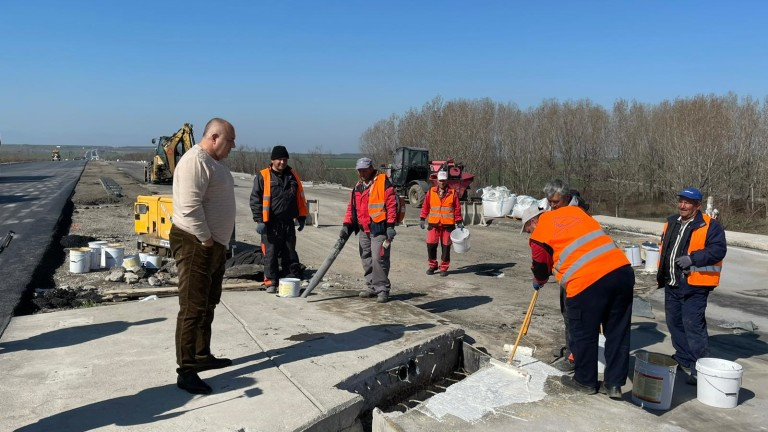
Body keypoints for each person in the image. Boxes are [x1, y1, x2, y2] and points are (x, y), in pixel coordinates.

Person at [522, 204, 634, 399]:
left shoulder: (539, 235)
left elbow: (541, 269)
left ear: (533, 221)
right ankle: (614, 384)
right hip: (621, 271)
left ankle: (585, 381)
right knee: (617, 332)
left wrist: (538, 280)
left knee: (583, 332)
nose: (529, 233)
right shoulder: (573, 211)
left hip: (586, 282)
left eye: (527, 229)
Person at [170, 118, 237, 395]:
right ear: (214, 137)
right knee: (192, 306)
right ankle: (186, 370)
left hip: (212, 244)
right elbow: (189, 207)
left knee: (208, 302)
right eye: (230, 141)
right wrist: (207, 239)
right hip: (196, 242)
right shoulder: (195, 161)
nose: (232, 146)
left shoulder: (214, 163)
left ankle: (201, 354)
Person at [657, 187, 726, 385]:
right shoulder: (672, 222)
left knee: (693, 326)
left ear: (698, 205)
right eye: (681, 201)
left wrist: (693, 259)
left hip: (695, 285)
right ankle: (683, 357)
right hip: (672, 283)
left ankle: (700, 368)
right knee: (674, 323)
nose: (682, 205)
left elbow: (718, 250)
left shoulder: (710, 226)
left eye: (687, 202)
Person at [541, 178, 589, 369]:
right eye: (550, 202)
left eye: (556, 202)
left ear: (567, 198)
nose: (552, 207)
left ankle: (574, 357)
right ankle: (571, 348)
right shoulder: (560, 211)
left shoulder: (578, 214)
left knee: (575, 315)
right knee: (567, 313)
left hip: (580, 272)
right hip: (567, 270)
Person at [250, 145, 308, 292]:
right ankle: (271, 282)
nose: (282, 162)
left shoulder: (292, 175)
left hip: (288, 223)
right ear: (272, 160)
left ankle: (290, 279)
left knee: (290, 252)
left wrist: (302, 216)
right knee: (270, 254)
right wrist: (259, 220)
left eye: (285, 159)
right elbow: (255, 199)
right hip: (270, 224)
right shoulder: (263, 176)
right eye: (279, 159)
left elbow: (300, 197)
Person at [340, 157, 398, 303]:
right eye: (360, 170)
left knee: (379, 259)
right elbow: (351, 207)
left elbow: (391, 205)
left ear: (371, 167)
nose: (362, 172)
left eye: (365, 169)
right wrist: (347, 224)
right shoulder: (358, 186)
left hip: (379, 228)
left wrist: (391, 226)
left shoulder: (383, 182)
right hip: (363, 229)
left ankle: (382, 289)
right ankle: (371, 286)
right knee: (366, 258)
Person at [420, 170, 464, 276]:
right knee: (430, 245)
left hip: (447, 226)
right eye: (440, 180)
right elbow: (426, 206)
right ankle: (432, 265)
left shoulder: (452, 193)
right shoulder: (431, 192)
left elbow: (457, 208)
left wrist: (459, 221)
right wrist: (422, 218)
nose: (442, 182)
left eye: (444, 180)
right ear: (437, 181)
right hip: (434, 225)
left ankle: (444, 267)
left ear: (447, 180)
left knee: (446, 247)